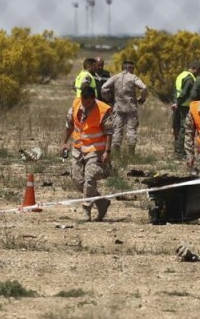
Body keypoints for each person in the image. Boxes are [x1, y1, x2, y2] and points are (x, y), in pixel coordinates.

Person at [61, 85, 114, 221]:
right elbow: (69, 125)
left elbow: (109, 133)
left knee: (90, 179)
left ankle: (86, 211)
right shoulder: (76, 104)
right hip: (78, 147)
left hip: (96, 150)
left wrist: (107, 152)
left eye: (89, 102)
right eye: (84, 101)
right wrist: (64, 142)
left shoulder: (103, 110)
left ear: (94, 99)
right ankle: (101, 202)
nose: (86, 105)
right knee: (77, 179)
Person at [100, 60, 149, 154]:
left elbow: (103, 88)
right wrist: (142, 98)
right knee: (131, 130)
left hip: (118, 108)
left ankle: (117, 153)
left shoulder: (115, 77)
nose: (134, 70)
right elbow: (144, 88)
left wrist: (108, 98)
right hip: (131, 108)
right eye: (133, 68)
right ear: (129, 68)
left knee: (117, 130)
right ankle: (131, 154)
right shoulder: (133, 78)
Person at [171, 60, 200, 158]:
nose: (199, 74)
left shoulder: (181, 75)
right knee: (183, 128)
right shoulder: (189, 78)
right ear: (196, 69)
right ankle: (180, 153)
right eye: (199, 71)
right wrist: (178, 103)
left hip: (179, 104)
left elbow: (176, 91)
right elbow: (184, 93)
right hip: (184, 106)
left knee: (177, 127)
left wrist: (175, 102)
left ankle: (177, 150)